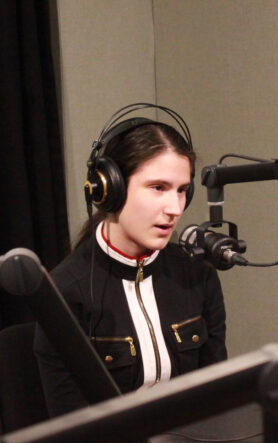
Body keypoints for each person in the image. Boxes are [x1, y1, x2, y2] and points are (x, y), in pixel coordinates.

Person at [33, 104, 227, 417]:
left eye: (181, 191)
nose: (174, 208)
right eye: (158, 188)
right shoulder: (64, 292)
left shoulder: (196, 272)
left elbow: (215, 397)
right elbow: (71, 427)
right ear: (109, 189)